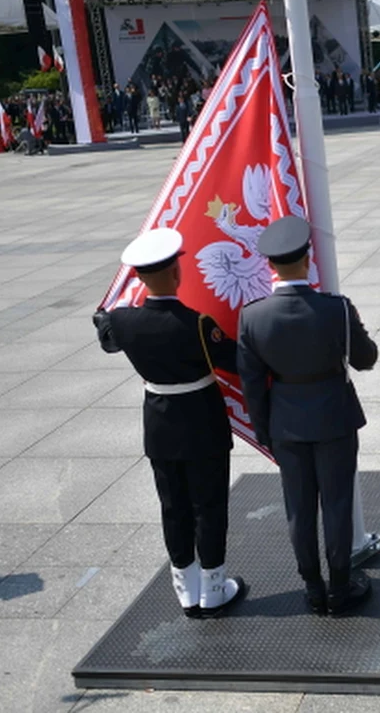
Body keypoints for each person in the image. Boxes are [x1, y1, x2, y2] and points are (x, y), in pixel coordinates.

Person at [93, 228, 246, 618]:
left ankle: (186, 587)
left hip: (160, 424)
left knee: (173, 505)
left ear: (140, 278)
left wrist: (102, 318)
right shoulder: (197, 323)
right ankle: (214, 587)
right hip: (201, 422)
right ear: (177, 272)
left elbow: (106, 335)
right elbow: (234, 360)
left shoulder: (124, 322)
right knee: (208, 504)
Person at [237, 216, 378, 616]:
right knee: (336, 502)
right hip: (334, 416)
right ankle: (340, 585)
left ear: (270, 265)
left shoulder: (253, 316)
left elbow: (251, 384)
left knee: (299, 508)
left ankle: (313, 587)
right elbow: (366, 359)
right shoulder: (335, 308)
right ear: (308, 258)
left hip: (285, 422)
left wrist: (264, 431)